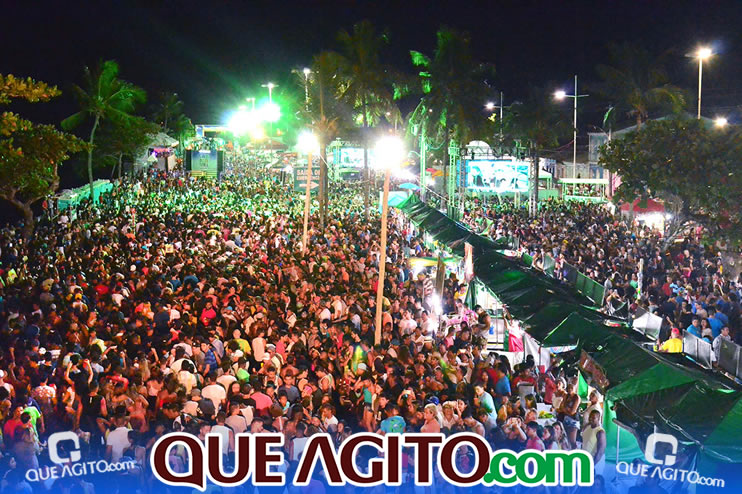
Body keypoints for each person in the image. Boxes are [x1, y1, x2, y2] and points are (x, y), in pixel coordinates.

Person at [582, 409, 606, 474]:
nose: (590, 419)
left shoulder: (600, 432)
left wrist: (592, 465)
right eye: (590, 417)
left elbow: (601, 451)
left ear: (598, 419)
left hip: (595, 463)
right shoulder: (587, 427)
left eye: (593, 418)